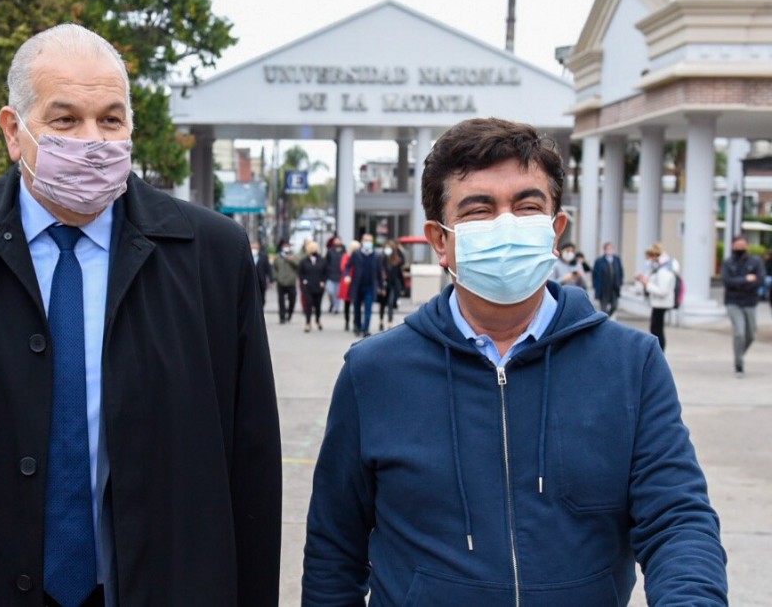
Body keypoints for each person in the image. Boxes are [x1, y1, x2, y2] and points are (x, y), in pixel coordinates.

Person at [0, 24, 282, 607]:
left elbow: (252, 464)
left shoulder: (210, 257)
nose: (92, 141)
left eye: (111, 120)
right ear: (13, 131)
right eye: (65, 120)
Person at [303, 117, 726, 606]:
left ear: (555, 229)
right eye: (479, 210)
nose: (506, 225)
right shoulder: (374, 372)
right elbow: (334, 550)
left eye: (527, 207)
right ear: (440, 240)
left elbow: (678, 520)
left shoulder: (630, 364)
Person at [721, 235, 766, 377]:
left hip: (750, 302)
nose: (740, 248)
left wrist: (739, 284)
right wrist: (746, 279)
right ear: (733, 246)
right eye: (737, 245)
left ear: (747, 246)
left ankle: (739, 353)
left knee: (751, 334)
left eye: (742, 245)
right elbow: (727, 281)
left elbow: (760, 280)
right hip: (733, 302)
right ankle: (739, 364)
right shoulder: (728, 263)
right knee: (739, 333)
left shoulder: (755, 262)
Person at [635, 244, 677, 352]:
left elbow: (662, 291)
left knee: (656, 329)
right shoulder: (659, 269)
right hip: (658, 303)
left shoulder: (664, 271)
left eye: (649, 258)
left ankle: (659, 352)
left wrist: (647, 284)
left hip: (661, 303)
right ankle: (658, 352)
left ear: (654, 256)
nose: (648, 261)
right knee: (656, 328)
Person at [348, 234, 384, 338]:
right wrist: (347, 275)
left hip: (370, 286)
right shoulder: (356, 254)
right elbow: (348, 266)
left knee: (368, 308)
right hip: (358, 285)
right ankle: (357, 326)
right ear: (362, 241)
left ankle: (366, 328)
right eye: (366, 240)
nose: (367, 243)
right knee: (357, 308)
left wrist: (381, 287)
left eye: (369, 241)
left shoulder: (377, 255)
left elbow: (379, 272)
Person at [298, 240, 327, 332]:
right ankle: (308, 323)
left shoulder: (322, 260)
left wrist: (323, 281)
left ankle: (318, 320)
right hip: (308, 286)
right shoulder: (304, 261)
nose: (313, 249)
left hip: (319, 286)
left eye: (315, 248)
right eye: (311, 248)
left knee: (318, 305)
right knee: (309, 304)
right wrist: (304, 281)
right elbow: (300, 273)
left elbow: (325, 272)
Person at [377, 238, 405, 331]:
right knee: (382, 304)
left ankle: (389, 322)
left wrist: (402, 286)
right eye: (386, 248)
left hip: (393, 284)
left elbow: (400, 274)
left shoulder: (397, 260)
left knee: (390, 302)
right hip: (383, 285)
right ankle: (381, 320)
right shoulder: (381, 259)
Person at [592, 241, 624, 317]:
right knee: (603, 307)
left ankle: (608, 316)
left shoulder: (617, 260)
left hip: (614, 287)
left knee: (614, 305)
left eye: (611, 248)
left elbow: (620, 271)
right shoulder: (599, 261)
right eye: (608, 249)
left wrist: (620, 283)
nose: (610, 250)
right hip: (603, 288)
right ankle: (604, 318)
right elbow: (595, 274)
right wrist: (595, 285)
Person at [273, 238, 299, 324]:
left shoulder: (294, 256)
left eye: (287, 245)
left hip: (291, 282)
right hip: (281, 281)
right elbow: (274, 268)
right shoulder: (278, 257)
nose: (286, 247)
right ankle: (282, 317)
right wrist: (276, 277)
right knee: (281, 300)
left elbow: (299, 265)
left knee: (292, 299)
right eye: (284, 245)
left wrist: (291, 259)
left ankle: (290, 313)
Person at [339, 240, 358, 331]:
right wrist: (348, 276)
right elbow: (343, 267)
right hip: (348, 282)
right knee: (347, 304)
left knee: (356, 304)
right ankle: (347, 321)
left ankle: (355, 322)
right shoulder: (346, 256)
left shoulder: (359, 256)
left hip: (356, 281)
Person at [324, 237, 345, 314]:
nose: (337, 242)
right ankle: (332, 303)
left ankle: (337, 308)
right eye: (336, 241)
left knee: (338, 293)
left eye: (338, 241)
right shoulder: (330, 251)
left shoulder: (344, 251)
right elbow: (326, 263)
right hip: (331, 274)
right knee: (330, 291)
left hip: (340, 275)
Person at [252, 240, 273, 310]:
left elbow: (268, 269)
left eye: (255, 247)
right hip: (250, 281)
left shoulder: (263, 256)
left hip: (261, 281)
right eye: (253, 247)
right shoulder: (247, 256)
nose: (254, 249)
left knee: (262, 298)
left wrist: (271, 280)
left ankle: (260, 309)